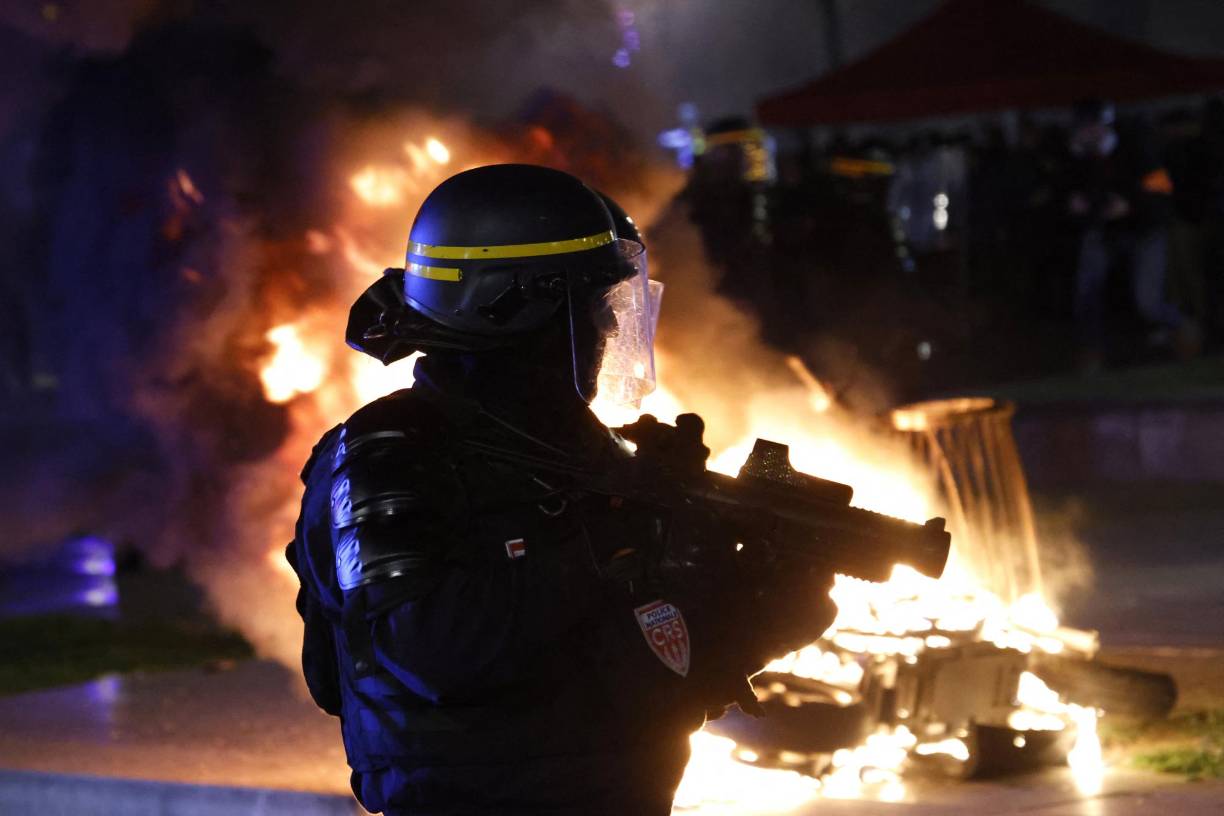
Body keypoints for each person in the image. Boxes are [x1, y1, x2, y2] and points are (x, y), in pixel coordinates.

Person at [287, 164, 838, 815]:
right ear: (521, 308)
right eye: (595, 310)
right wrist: (618, 526)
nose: (609, 333)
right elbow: (436, 651)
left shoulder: (593, 459)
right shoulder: (387, 455)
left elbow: (667, 662)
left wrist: (771, 586)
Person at [1065, 100, 1185, 366]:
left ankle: (1182, 331)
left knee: (1148, 301)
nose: (1081, 135)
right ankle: (1091, 353)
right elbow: (1069, 191)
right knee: (1087, 290)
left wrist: (1130, 205)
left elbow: (1162, 189)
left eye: (1084, 128)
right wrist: (1076, 202)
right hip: (1105, 231)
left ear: (1098, 126)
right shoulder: (1080, 157)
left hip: (1145, 230)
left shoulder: (1135, 147)